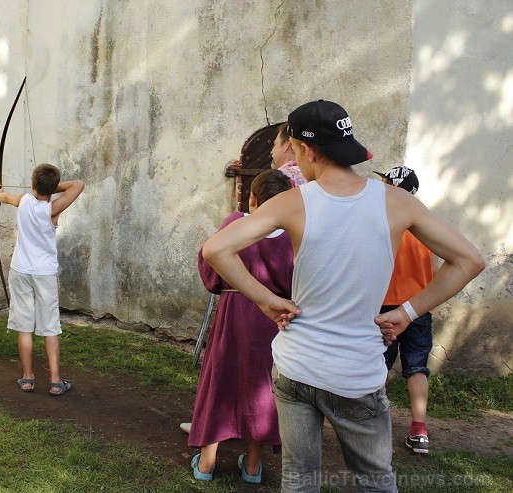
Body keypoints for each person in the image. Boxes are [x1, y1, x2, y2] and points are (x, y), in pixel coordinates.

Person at [201, 100, 485, 492]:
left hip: (296, 366)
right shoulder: (397, 202)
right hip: (357, 371)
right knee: (375, 481)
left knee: (300, 480)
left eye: (295, 149)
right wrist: (407, 312)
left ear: (308, 150)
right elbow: (469, 260)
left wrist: (265, 299)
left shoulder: (293, 202)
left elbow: (216, 250)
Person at [189, 170, 294, 484]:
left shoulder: (236, 223)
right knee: (262, 388)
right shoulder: (291, 236)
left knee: (220, 380)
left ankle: (207, 464)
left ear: (253, 199)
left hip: (234, 315)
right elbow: (295, 281)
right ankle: (251, 466)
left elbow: (210, 268)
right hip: (271, 320)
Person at [0, 164, 84, 396]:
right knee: (50, 325)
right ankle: (55, 381)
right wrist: (53, 187)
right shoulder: (53, 209)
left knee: (25, 326)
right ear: (51, 188)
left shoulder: (23, 200)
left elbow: (3, 196)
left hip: (21, 270)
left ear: (32, 185)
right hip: (43, 273)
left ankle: (27, 378)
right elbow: (78, 185)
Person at [374, 166, 438, 454]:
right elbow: (437, 268)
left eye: (386, 182)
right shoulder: (426, 225)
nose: (382, 186)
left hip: (386, 307)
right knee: (417, 368)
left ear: (395, 187)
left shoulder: (384, 223)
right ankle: (419, 431)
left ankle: (373, 428)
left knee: (378, 366)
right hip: (418, 307)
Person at [271, 122, 307, 187]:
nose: (271, 151)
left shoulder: (276, 179)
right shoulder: (314, 174)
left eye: (275, 144)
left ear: (288, 144)